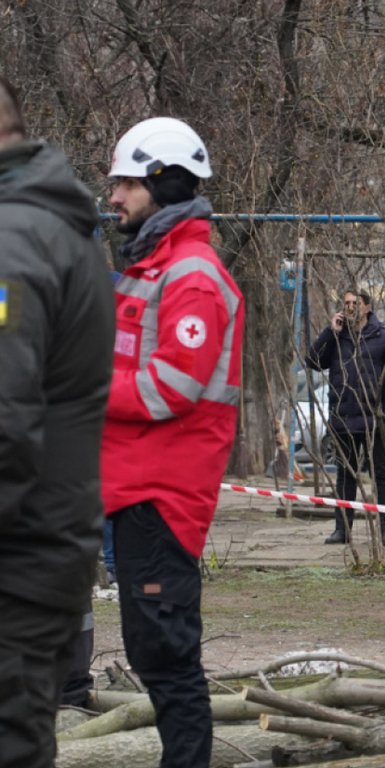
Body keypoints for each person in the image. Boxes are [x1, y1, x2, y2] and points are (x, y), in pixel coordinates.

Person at [102, 116, 244, 768]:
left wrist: (81, 386)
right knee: (152, 652)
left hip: (164, 495)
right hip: (136, 486)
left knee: (167, 658)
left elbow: (171, 387)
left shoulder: (192, 275)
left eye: (126, 184)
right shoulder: (152, 266)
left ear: (164, 184)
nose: (114, 197)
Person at [0, 77, 114, 765]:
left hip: (19, 558)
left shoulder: (14, 240)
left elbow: (4, 421)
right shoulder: (48, 229)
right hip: (42, 550)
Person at [306, 288, 385, 546]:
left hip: (375, 420)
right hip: (344, 419)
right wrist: (330, 332)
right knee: (345, 475)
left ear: (367, 306)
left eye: (356, 303)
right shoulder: (338, 336)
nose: (350, 307)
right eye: (346, 303)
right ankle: (342, 529)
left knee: (381, 475)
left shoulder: (384, 336)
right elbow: (313, 361)